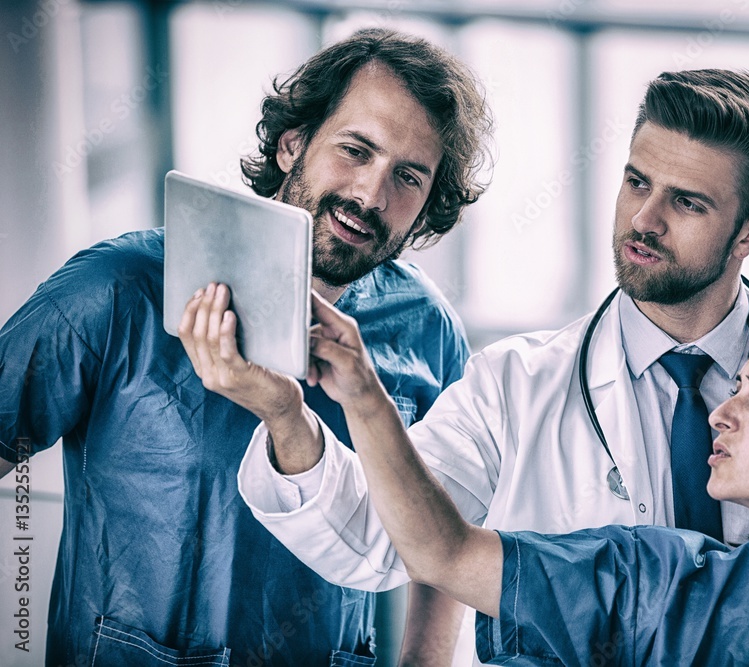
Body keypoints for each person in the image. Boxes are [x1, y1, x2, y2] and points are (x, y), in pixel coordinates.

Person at [193, 68, 749, 664]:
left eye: (688, 203)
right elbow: (380, 540)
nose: (644, 220)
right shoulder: (513, 386)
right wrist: (286, 414)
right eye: (637, 182)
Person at [0, 27, 492, 665]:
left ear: (428, 206)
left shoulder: (428, 330)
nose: (372, 195)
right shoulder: (117, 290)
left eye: (408, 177)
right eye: (355, 150)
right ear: (293, 145)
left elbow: (445, 541)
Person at [188, 299, 749, 664]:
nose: (724, 411)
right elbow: (438, 550)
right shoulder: (656, 580)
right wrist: (349, 394)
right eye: (736, 387)